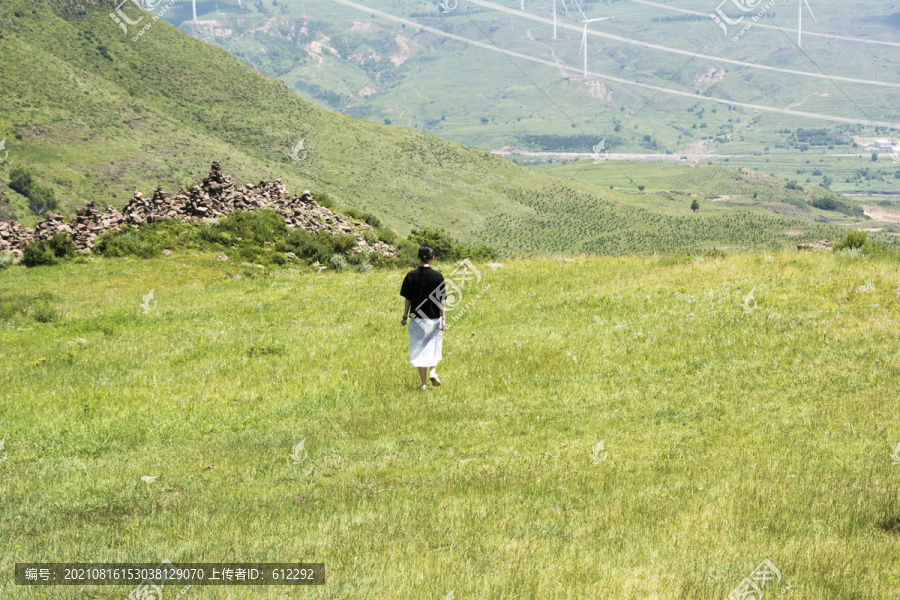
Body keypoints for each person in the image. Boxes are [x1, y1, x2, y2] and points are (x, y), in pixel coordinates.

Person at [400, 245, 446, 390]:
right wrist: (443, 318)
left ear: (419, 257)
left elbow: (407, 299)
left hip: (417, 319)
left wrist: (404, 316)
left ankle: (424, 384)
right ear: (432, 257)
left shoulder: (410, 276)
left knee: (419, 349)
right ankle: (433, 371)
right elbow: (441, 300)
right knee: (434, 347)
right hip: (433, 318)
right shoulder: (437, 276)